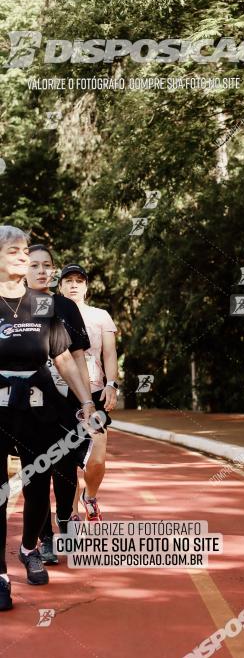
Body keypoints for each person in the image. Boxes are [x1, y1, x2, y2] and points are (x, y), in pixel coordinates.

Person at [0, 226, 95, 611]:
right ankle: (0, 577)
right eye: (14, 251)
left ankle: (28, 548)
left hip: (40, 405)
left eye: (26, 251)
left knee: (39, 484)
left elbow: (63, 357)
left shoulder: (44, 305)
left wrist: (87, 401)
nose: (23, 258)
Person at [26, 245, 93, 564]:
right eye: (34, 265)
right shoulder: (15, 306)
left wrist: (86, 400)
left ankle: (66, 522)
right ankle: (45, 538)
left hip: (66, 403)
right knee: (35, 470)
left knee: (66, 469)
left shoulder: (66, 306)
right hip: (27, 405)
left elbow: (78, 355)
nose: (41, 271)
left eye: (46, 265)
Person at [59, 264, 118, 521]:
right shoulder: (52, 313)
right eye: (68, 280)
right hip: (60, 392)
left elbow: (109, 353)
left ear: (86, 287)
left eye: (79, 281)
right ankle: (70, 514)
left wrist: (112, 384)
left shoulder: (100, 315)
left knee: (98, 450)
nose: (73, 285)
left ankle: (90, 495)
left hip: (94, 391)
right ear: (59, 286)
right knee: (66, 458)